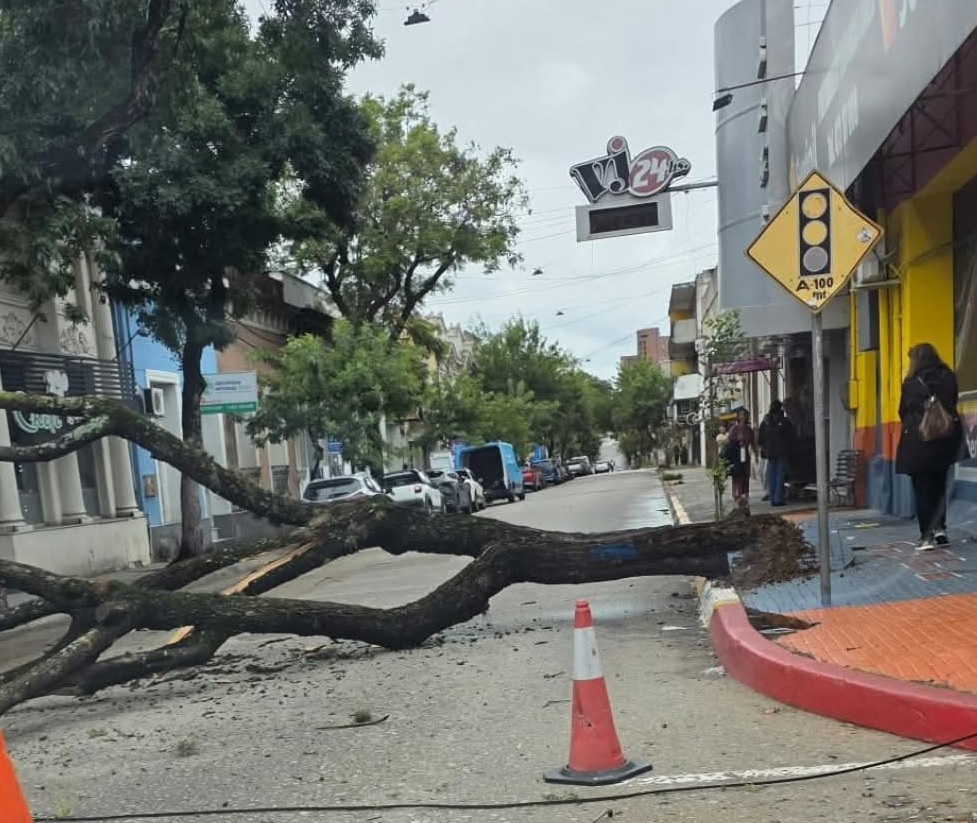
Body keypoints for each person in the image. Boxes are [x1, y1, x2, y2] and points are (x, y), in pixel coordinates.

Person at [895, 342, 963, 549]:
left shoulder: (911, 382)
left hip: (919, 441)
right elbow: (952, 402)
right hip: (945, 439)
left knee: (922, 488)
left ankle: (926, 536)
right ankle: (941, 528)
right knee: (939, 484)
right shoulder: (949, 377)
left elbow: (903, 410)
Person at [758, 399, 796, 507]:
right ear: (781, 408)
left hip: (770, 451)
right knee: (780, 474)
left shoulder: (765, 421)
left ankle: (772, 496)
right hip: (782, 451)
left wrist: (764, 447)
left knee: (771, 474)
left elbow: (761, 438)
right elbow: (791, 434)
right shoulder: (784, 420)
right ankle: (778, 498)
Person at [725, 408, 754, 506]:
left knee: (746, 474)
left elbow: (753, 441)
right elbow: (729, 442)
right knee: (737, 474)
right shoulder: (735, 428)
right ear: (738, 416)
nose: (743, 417)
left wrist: (756, 454)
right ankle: (737, 495)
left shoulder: (749, 429)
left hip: (745, 453)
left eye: (745, 415)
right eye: (741, 415)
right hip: (737, 454)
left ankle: (745, 494)